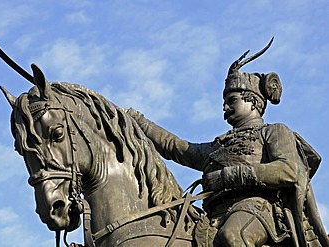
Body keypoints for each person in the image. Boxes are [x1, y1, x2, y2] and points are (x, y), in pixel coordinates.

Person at [127, 39, 328, 247]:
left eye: (232, 100)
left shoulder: (275, 131)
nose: (224, 107)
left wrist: (228, 175)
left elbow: (288, 170)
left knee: (232, 236)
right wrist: (138, 121)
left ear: (253, 102)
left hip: (257, 208)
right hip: (213, 214)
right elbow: (174, 146)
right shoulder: (218, 147)